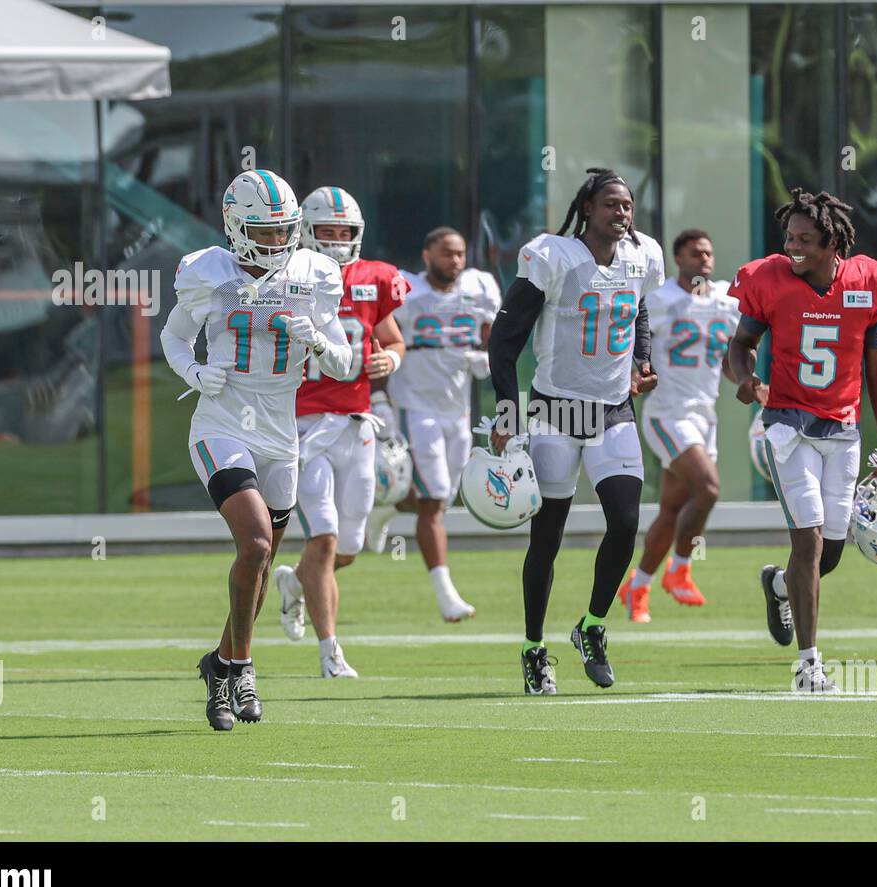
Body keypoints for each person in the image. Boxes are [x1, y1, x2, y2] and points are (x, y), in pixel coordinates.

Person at [161, 169, 353, 730]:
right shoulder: (207, 272)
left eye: (284, 230)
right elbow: (174, 335)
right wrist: (195, 372)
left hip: (281, 432)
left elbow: (344, 364)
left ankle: (218, 665)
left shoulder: (314, 274)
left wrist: (316, 338)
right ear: (236, 228)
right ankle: (241, 667)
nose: (277, 242)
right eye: (264, 232)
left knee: (263, 563)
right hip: (222, 422)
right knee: (256, 543)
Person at [487, 167, 665, 695]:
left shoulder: (642, 256)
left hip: (612, 410)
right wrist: (505, 410)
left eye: (628, 205)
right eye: (611, 204)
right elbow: (504, 337)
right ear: (587, 208)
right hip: (556, 412)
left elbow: (638, 309)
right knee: (548, 538)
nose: (622, 213)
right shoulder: (554, 256)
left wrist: (643, 359)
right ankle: (534, 648)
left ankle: (592, 626)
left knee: (626, 521)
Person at [724, 188, 877, 693]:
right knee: (806, 539)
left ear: (833, 244)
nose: (793, 248)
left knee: (829, 551)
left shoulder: (868, 284)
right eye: (789, 238)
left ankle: (779, 585)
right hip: (786, 426)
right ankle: (809, 666)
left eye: (805, 239)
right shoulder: (772, 280)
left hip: (842, 430)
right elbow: (738, 348)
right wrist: (746, 380)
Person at [271, 185, 408, 678]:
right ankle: (331, 652)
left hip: (357, 425)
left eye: (343, 231)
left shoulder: (375, 278)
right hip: (304, 427)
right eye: (325, 231)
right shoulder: (283, 275)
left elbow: (393, 338)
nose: (335, 239)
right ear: (306, 231)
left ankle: (294, 584)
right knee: (325, 539)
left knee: (345, 550)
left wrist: (388, 358)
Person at [365, 227, 501, 622]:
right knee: (435, 497)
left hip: (456, 409)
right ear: (427, 255)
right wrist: (379, 396)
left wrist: (486, 358)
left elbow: (493, 337)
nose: (455, 261)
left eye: (459, 253)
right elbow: (381, 339)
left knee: (441, 496)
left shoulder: (479, 288)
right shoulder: (408, 291)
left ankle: (388, 507)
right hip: (414, 405)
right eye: (446, 253)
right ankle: (445, 594)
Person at [619, 229, 739, 622]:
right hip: (668, 413)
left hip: (705, 415)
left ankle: (637, 586)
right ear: (678, 260)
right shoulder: (661, 300)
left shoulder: (724, 301)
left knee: (672, 509)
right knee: (709, 487)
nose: (704, 259)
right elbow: (630, 342)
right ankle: (680, 569)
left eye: (708, 253)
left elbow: (728, 359)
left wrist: (749, 382)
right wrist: (634, 374)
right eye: (694, 253)